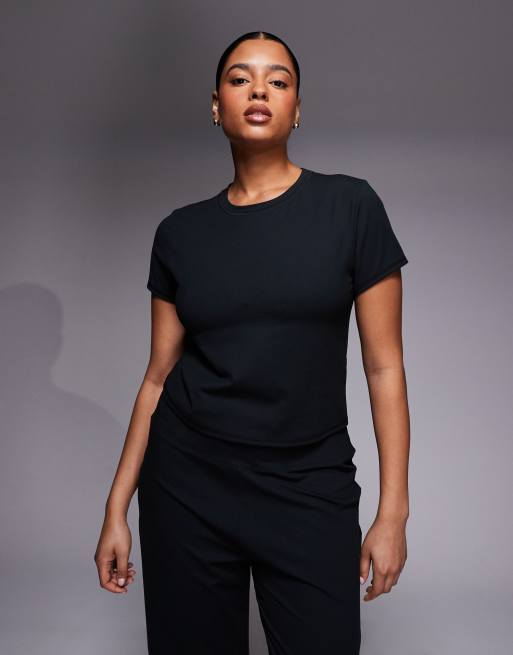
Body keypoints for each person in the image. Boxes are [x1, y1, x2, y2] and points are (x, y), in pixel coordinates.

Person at [94, 30, 410, 655]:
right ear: (217, 105)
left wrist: (393, 512)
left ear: (297, 107)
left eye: (277, 80)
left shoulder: (351, 207)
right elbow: (157, 376)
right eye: (240, 79)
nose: (259, 90)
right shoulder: (179, 233)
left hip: (307, 484)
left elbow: (384, 368)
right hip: (187, 484)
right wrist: (115, 509)